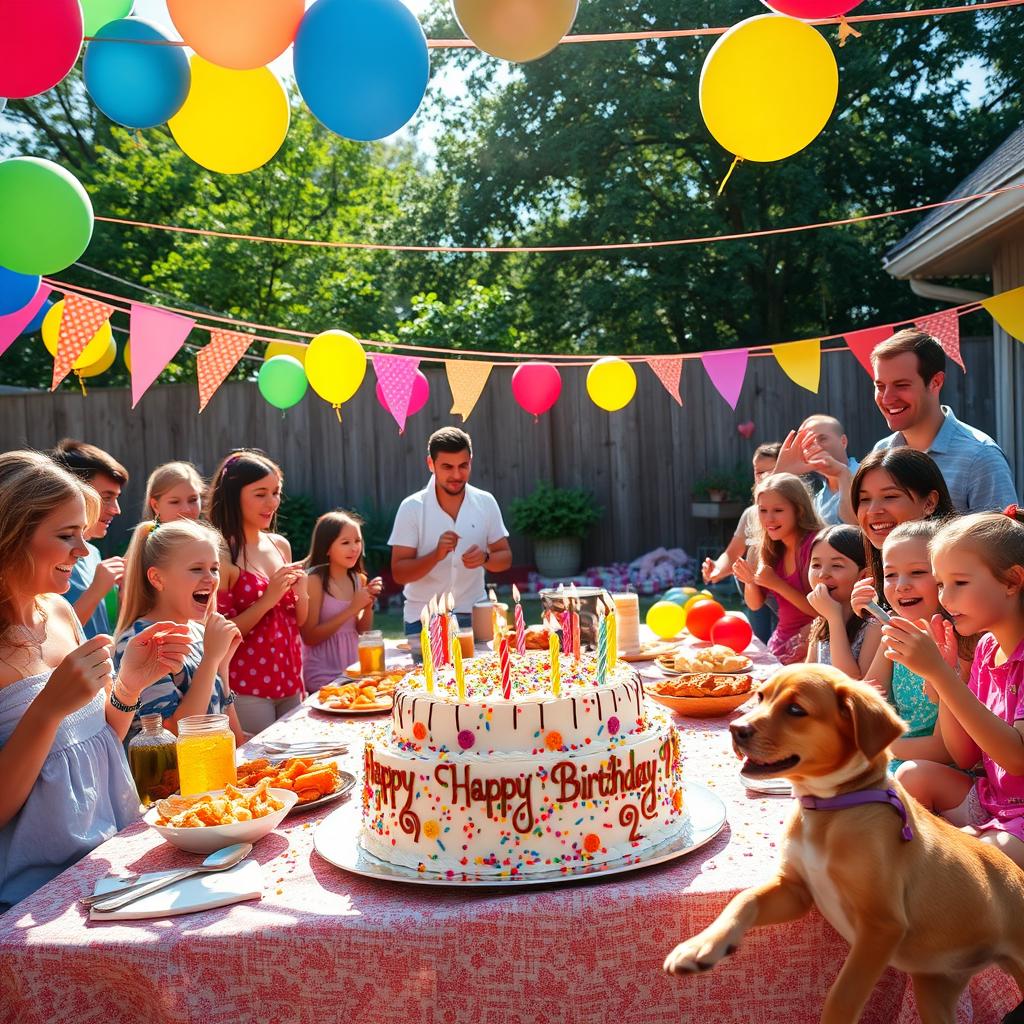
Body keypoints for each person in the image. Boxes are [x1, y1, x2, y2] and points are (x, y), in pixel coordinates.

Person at [0, 451, 192, 910]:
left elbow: (95, 743)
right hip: (32, 901)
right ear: (8, 539)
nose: (83, 552)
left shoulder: (63, 614)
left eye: (82, 535)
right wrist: (47, 708)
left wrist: (128, 687)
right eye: (67, 536)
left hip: (106, 869)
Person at [884, 509, 1024, 867]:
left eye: (959, 583)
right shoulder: (987, 648)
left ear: (1012, 581)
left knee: (969, 856)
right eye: (941, 584)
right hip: (995, 800)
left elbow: (1017, 758)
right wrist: (945, 678)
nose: (945, 598)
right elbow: (965, 757)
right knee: (911, 775)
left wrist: (944, 678)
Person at [114, 519, 244, 744]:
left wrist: (221, 669)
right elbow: (172, 733)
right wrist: (211, 660)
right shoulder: (141, 642)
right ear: (157, 578)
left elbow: (221, 718)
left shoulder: (199, 631)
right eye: (196, 569)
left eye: (214, 569)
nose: (210, 578)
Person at [209, 450, 308, 737]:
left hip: (291, 681)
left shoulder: (280, 545)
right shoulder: (220, 552)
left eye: (276, 492)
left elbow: (297, 622)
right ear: (233, 495)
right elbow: (220, 634)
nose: (272, 503)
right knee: (261, 768)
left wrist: (302, 593)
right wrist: (268, 599)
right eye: (260, 494)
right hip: (248, 688)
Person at [389, 427, 512, 643]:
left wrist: (485, 559)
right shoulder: (412, 508)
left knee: (480, 678)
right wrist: (436, 555)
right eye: (447, 467)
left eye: (463, 466)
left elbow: (505, 558)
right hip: (423, 619)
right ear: (430, 464)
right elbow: (399, 573)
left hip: (476, 616)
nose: (456, 475)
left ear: (470, 462)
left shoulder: (486, 502)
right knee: (429, 678)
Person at [860, 520, 959, 768]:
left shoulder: (958, 643)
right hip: (891, 755)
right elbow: (869, 699)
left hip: (931, 771)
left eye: (917, 572)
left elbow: (946, 749)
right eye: (890, 575)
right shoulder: (894, 632)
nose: (902, 585)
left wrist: (870, 746)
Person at [848, 447, 955, 618]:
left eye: (890, 496)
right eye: (864, 500)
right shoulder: (870, 591)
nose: (873, 511)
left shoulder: (966, 602)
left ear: (929, 502)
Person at [733, 472, 822, 664]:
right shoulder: (769, 548)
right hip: (781, 641)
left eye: (778, 510)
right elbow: (755, 604)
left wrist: (778, 584)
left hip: (813, 643)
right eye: (763, 511)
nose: (769, 519)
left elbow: (823, 611)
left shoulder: (816, 545)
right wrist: (750, 582)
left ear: (798, 510)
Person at [702, 442, 781, 644]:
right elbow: (732, 553)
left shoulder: (793, 512)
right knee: (760, 642)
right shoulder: (750, 514)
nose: (762, 477)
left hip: (784, 595)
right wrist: (716, 569)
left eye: (770, 471)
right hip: (755, 593)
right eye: (758, 471)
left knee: (782, 645)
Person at [50, 439, 128, 639]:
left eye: (116, 498)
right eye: (106, 497)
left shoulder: (94, 553)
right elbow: (53, 637)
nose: (116, 510)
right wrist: (96, 590)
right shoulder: (51, 557)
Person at [301, 510, 383, 691]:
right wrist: (353, 608)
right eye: (345, 542)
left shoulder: (358, 579)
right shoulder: (314, 581)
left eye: (357, 541)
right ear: (327, 548)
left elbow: (362, 631)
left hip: (354, 671)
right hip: (322, 674)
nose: (354, 548)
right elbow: (309, 637)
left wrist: (368, 605)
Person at [805, 524, 880, 678]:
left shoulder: (874, 625)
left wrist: (834, 618)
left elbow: (853, 680)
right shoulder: (821, 619)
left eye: (836, 565)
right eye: (816, 565)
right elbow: (808, 672)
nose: (822, 574)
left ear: (864, 576)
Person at [775, 415, 859, 525]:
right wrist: (779, 474)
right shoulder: (816, 500)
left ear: (843, 442)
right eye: (808, 443)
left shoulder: (868, 475)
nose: (816, 446)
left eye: (822, 439)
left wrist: (842, 473)